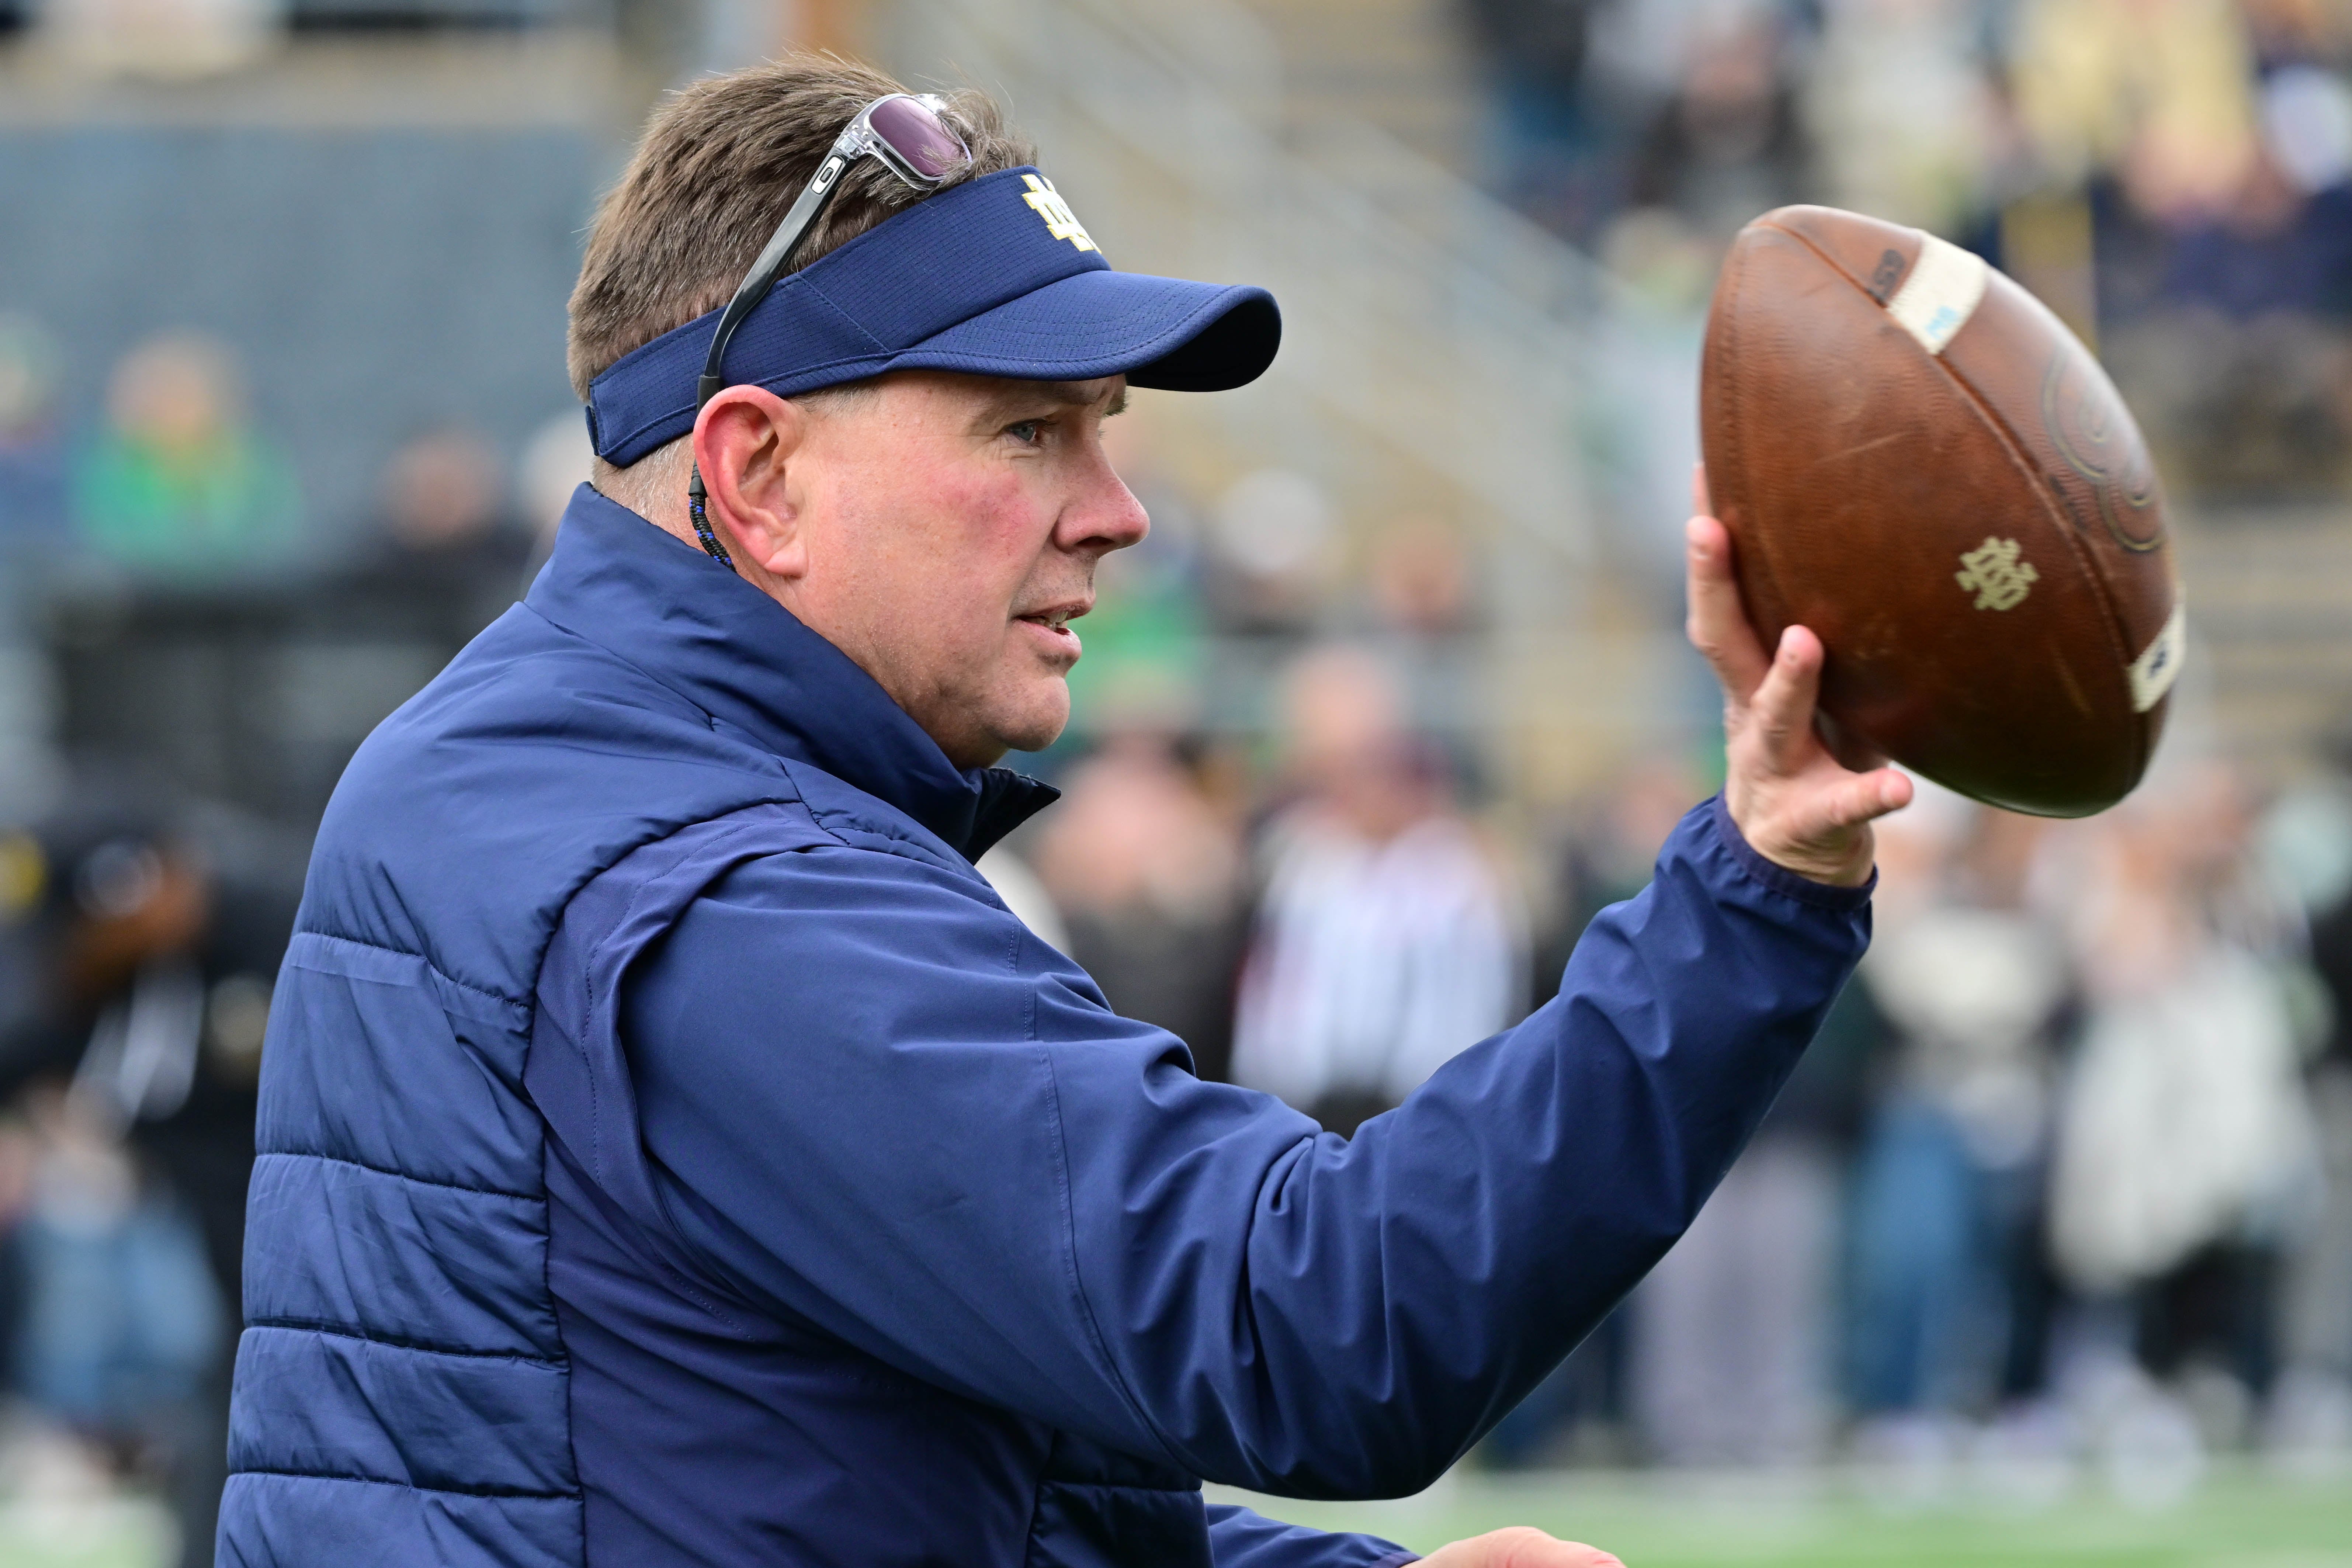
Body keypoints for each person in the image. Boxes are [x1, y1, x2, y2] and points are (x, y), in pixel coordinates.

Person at [221, 57, 1909, 1568]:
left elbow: (847, 1473)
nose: (1116, 515)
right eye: (1025, 429)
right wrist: (1756, 877)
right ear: (756, 474)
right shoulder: (711, 885)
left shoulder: (536, 765)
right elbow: (1319, 1327)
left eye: (1102, 430)